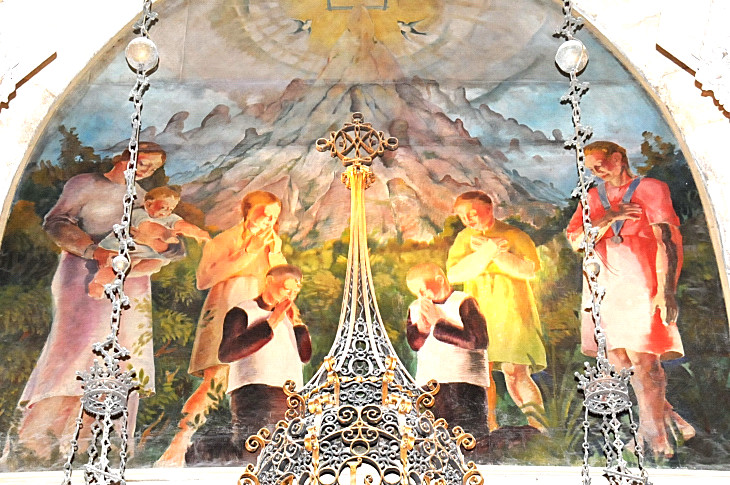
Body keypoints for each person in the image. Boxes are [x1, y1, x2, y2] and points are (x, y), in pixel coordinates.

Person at [16, 142, 169, 460]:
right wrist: (93, 251)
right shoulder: (86, 183)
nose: (146, 170)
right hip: (82, 274)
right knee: (76, 350)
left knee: (122, 356)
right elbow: (56, 222)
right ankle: (38, 439)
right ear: (126, 156)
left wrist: (156, 254)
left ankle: (94, 442)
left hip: (131, 281)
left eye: (153, 168)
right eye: (144, 162)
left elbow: (160, 237)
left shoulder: (144, 198)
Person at [566, 140, 694, 457]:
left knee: (644, 360)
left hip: (641, 276)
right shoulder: (592, 197)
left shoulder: (651, 188)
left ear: (618, 158)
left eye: (601, 164)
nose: (597, 172)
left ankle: (655, 439)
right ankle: (671, 423)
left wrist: (666, 290)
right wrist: (609, 217)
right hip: (603, 282)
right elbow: (576, 240)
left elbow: (666, 240)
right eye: (591, 168)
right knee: (619, 362)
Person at [156, 190, 287, 466]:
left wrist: (275, 254)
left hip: (261, 319)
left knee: (257, 381)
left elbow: (282, 284)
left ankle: (257, 452)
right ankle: (178, 445)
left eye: (273, 216)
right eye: (263, 212)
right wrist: (248, 252)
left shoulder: (272, 244)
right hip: (228, 312)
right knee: (215, 380)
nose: (268, 219)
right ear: (247, 211)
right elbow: (204, 279)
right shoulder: (225, 240)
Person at [447, 190, 546, 432]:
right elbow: (455, 274)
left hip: (513, 308)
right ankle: (489, 427)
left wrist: (497, 253)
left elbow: (529, 270)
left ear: (489, 209)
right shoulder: (464, 238)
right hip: (480, 310)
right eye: (462, 216)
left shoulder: (514, 234)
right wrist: (486, 252)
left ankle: (539, 427)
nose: (468, 220)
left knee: (515, 371)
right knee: (484, 370)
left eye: (472, 213)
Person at [218, 264, 311, 455]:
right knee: (255, 454)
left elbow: (305, 357)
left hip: (290, 397)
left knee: (288, 454)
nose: (291, 296)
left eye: (295, 292)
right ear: (269, 281)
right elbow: (226, 353)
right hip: (255, 393)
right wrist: (272, 321)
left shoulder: (287, 318)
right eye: (287, 289)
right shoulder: (243, 311)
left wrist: (296, 322)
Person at [405, 263, 489, 448]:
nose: (421, 296)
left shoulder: (463, 302)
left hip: (465, 384)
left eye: (423, 290)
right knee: (432, 441)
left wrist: (439, 323)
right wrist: (422, 330)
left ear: (440, 280)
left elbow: (478, 341)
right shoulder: (415, 308)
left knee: (469, 439)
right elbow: (414, 343)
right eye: (416, 293)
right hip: (430, 385)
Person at [89, 186, 211, 298]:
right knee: (116, 265)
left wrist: (198, 232)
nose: (167, 212)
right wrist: (164, 234)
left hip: (145, 253)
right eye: (163, 207)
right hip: (120, 248)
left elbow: (182, 225)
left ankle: (127, 272)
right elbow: (147, 228)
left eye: (171, 209)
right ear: (148, 204)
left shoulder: (169, 217)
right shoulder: (139, 214)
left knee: (155, 263)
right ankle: (98, 284)